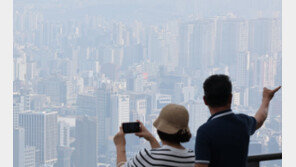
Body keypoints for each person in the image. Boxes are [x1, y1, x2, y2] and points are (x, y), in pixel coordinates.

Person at [194, 74, 281, 167]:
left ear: (205, 100)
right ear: (231, 98)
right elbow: (260, 119)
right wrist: (266, 99)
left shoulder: (204, 132)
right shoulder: (243, 122)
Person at [114, 104, 195, 167]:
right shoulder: (193, 158)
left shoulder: (148, 156)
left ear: (159, 129)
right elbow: (162, 159)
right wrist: (151, 139)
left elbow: (159, 159)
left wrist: (120, 146)